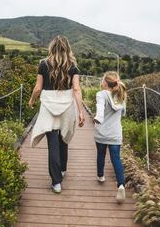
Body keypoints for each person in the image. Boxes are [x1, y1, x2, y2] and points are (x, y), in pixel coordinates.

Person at [28, 35, 85, 193]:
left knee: (52, 142)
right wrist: (81, 111)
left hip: (48, 106)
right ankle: (62, 169)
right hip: (66, 106)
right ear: (67, 47)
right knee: (64, 138)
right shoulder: (73, 66)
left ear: (52, 47)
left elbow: (38, 88)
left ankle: (56, 182)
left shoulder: (43, 64)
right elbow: (76, 89)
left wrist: (31, 101)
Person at [93, 71, 127, 203]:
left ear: (105, 83)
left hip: (101, 132)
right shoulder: (121, 95)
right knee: (116, 158)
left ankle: (101, 176)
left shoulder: (101, 94)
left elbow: (100, 109)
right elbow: (123, 114)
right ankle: (121, 185)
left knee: (101, 154)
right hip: (115, 133)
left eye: (102, 80)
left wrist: (98, 117)